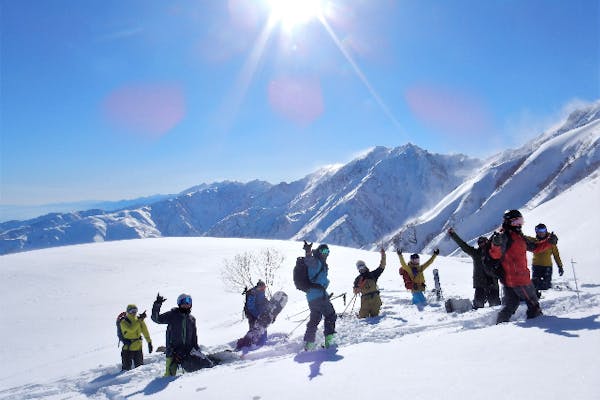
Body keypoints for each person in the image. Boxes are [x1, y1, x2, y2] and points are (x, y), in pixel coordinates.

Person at [488, 210, 557, 324]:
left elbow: (535, 247)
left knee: (511, 304)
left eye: (521, 221)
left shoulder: (518, 236)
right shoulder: (504, 236)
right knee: (533, 303)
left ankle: (498, 326)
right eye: (517, 221)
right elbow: (495, 254)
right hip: (519, 279)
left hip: (510, 280)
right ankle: (537, 325)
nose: (520, 224)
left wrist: (549, 242)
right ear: (510, 222)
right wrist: (496, 245)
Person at [151, 293, 213, 376]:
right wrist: (157, 305)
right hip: (173, 352)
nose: (186, 304)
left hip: (187, 352)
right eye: (183, 301)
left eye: (188, 301)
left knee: (197, 371)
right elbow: (156, 319)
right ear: (179, 303)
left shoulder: (191, 319)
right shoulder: (172, 315)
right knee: (169, 376)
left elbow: (194, 337)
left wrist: (197, 350)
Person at [447, 228, 501, 308]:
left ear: (487, 242)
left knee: (495, 306)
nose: (481, 244)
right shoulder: (475, 254)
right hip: (480, 284)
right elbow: (463, 245)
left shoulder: (493, 253)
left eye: (483, 242)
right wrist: (453, 235)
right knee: (478, 306)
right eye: (479, 243)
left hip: (492, 283)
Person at [302, 242, 337, 350]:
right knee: (331, 315)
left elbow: (323, 281)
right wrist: (308, 251)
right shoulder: (316, 262)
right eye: (323, 251)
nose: (325, 253)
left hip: (312, 297)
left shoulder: (321, 264)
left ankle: (309, 344)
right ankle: (329, 342)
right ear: (318, 251)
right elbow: (309, 261)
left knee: (315, 319)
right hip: (318, 296)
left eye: (327, 251)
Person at [530, 223, 564, 298]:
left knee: (546, 285)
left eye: (543, 230)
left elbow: (556, 255)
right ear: (536, 231)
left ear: (546, 230)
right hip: (536, 266)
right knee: (535, 283)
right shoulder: (534, 241)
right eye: (539, 230)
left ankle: (530, 287)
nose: (541, 232)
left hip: (547, 266)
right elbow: (525, 239)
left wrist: (560, 266)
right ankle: (534, 295)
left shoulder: (551, 241)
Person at [353, 248, 386, 318]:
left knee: (375, 318)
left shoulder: (373, 274)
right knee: (363, 319)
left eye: (362, 266)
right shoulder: (357, 279)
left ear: (365, 266)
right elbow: (355, 291)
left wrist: (383, 255)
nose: (361, 269)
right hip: (365, 301)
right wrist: (356, 289)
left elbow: (382, 266)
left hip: (375, 299)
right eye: (359, 267)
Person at [236, 280, 268, 349]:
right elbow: (251, 307)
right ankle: (246, 345)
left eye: (264, 287)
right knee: (253, 330)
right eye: (262, 288)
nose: (263, 289)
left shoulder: (261, 292)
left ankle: (262, 343)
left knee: (262, 328)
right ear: (258, 287)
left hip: (259, 314)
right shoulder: (252, 293)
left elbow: (263, 300)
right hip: (252, 315)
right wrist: (257, 315)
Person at [120, 304, 153, 371]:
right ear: (128, 311)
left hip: (138, 348)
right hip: (128, 348)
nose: (134, 312)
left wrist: (149, 342)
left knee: (140, 369)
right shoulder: (123, 322)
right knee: (126, 370)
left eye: (135, 310)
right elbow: (131, 329)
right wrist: (140, 320)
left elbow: (145, 331)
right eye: (132, 311)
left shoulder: (139, 320)